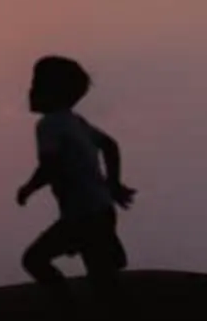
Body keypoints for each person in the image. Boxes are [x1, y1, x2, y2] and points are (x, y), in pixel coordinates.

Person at [18, 55, 135, 304]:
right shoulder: (75, 121)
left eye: (36, 85)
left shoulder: (48, 125)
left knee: (35, 260)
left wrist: (28, 188)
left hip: (83, 215)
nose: (30, 91)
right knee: (102, 276)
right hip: (101, 210)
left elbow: (49, 166)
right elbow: (110, 145)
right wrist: (113, 184)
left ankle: (67, 309)